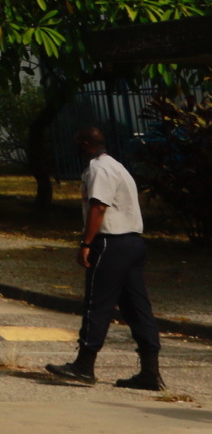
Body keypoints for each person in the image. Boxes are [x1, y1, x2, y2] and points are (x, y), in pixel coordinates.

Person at [46, 127, 162, 391]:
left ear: (86, 143)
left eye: (77, 142)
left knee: (96, 303)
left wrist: (86, 243)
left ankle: (84, 366)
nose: (74, 147)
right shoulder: (117, 166)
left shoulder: (99, 169)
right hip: (133, 243)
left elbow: (99, 206)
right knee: (137, 308)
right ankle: (150, 371)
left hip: (111, 243)